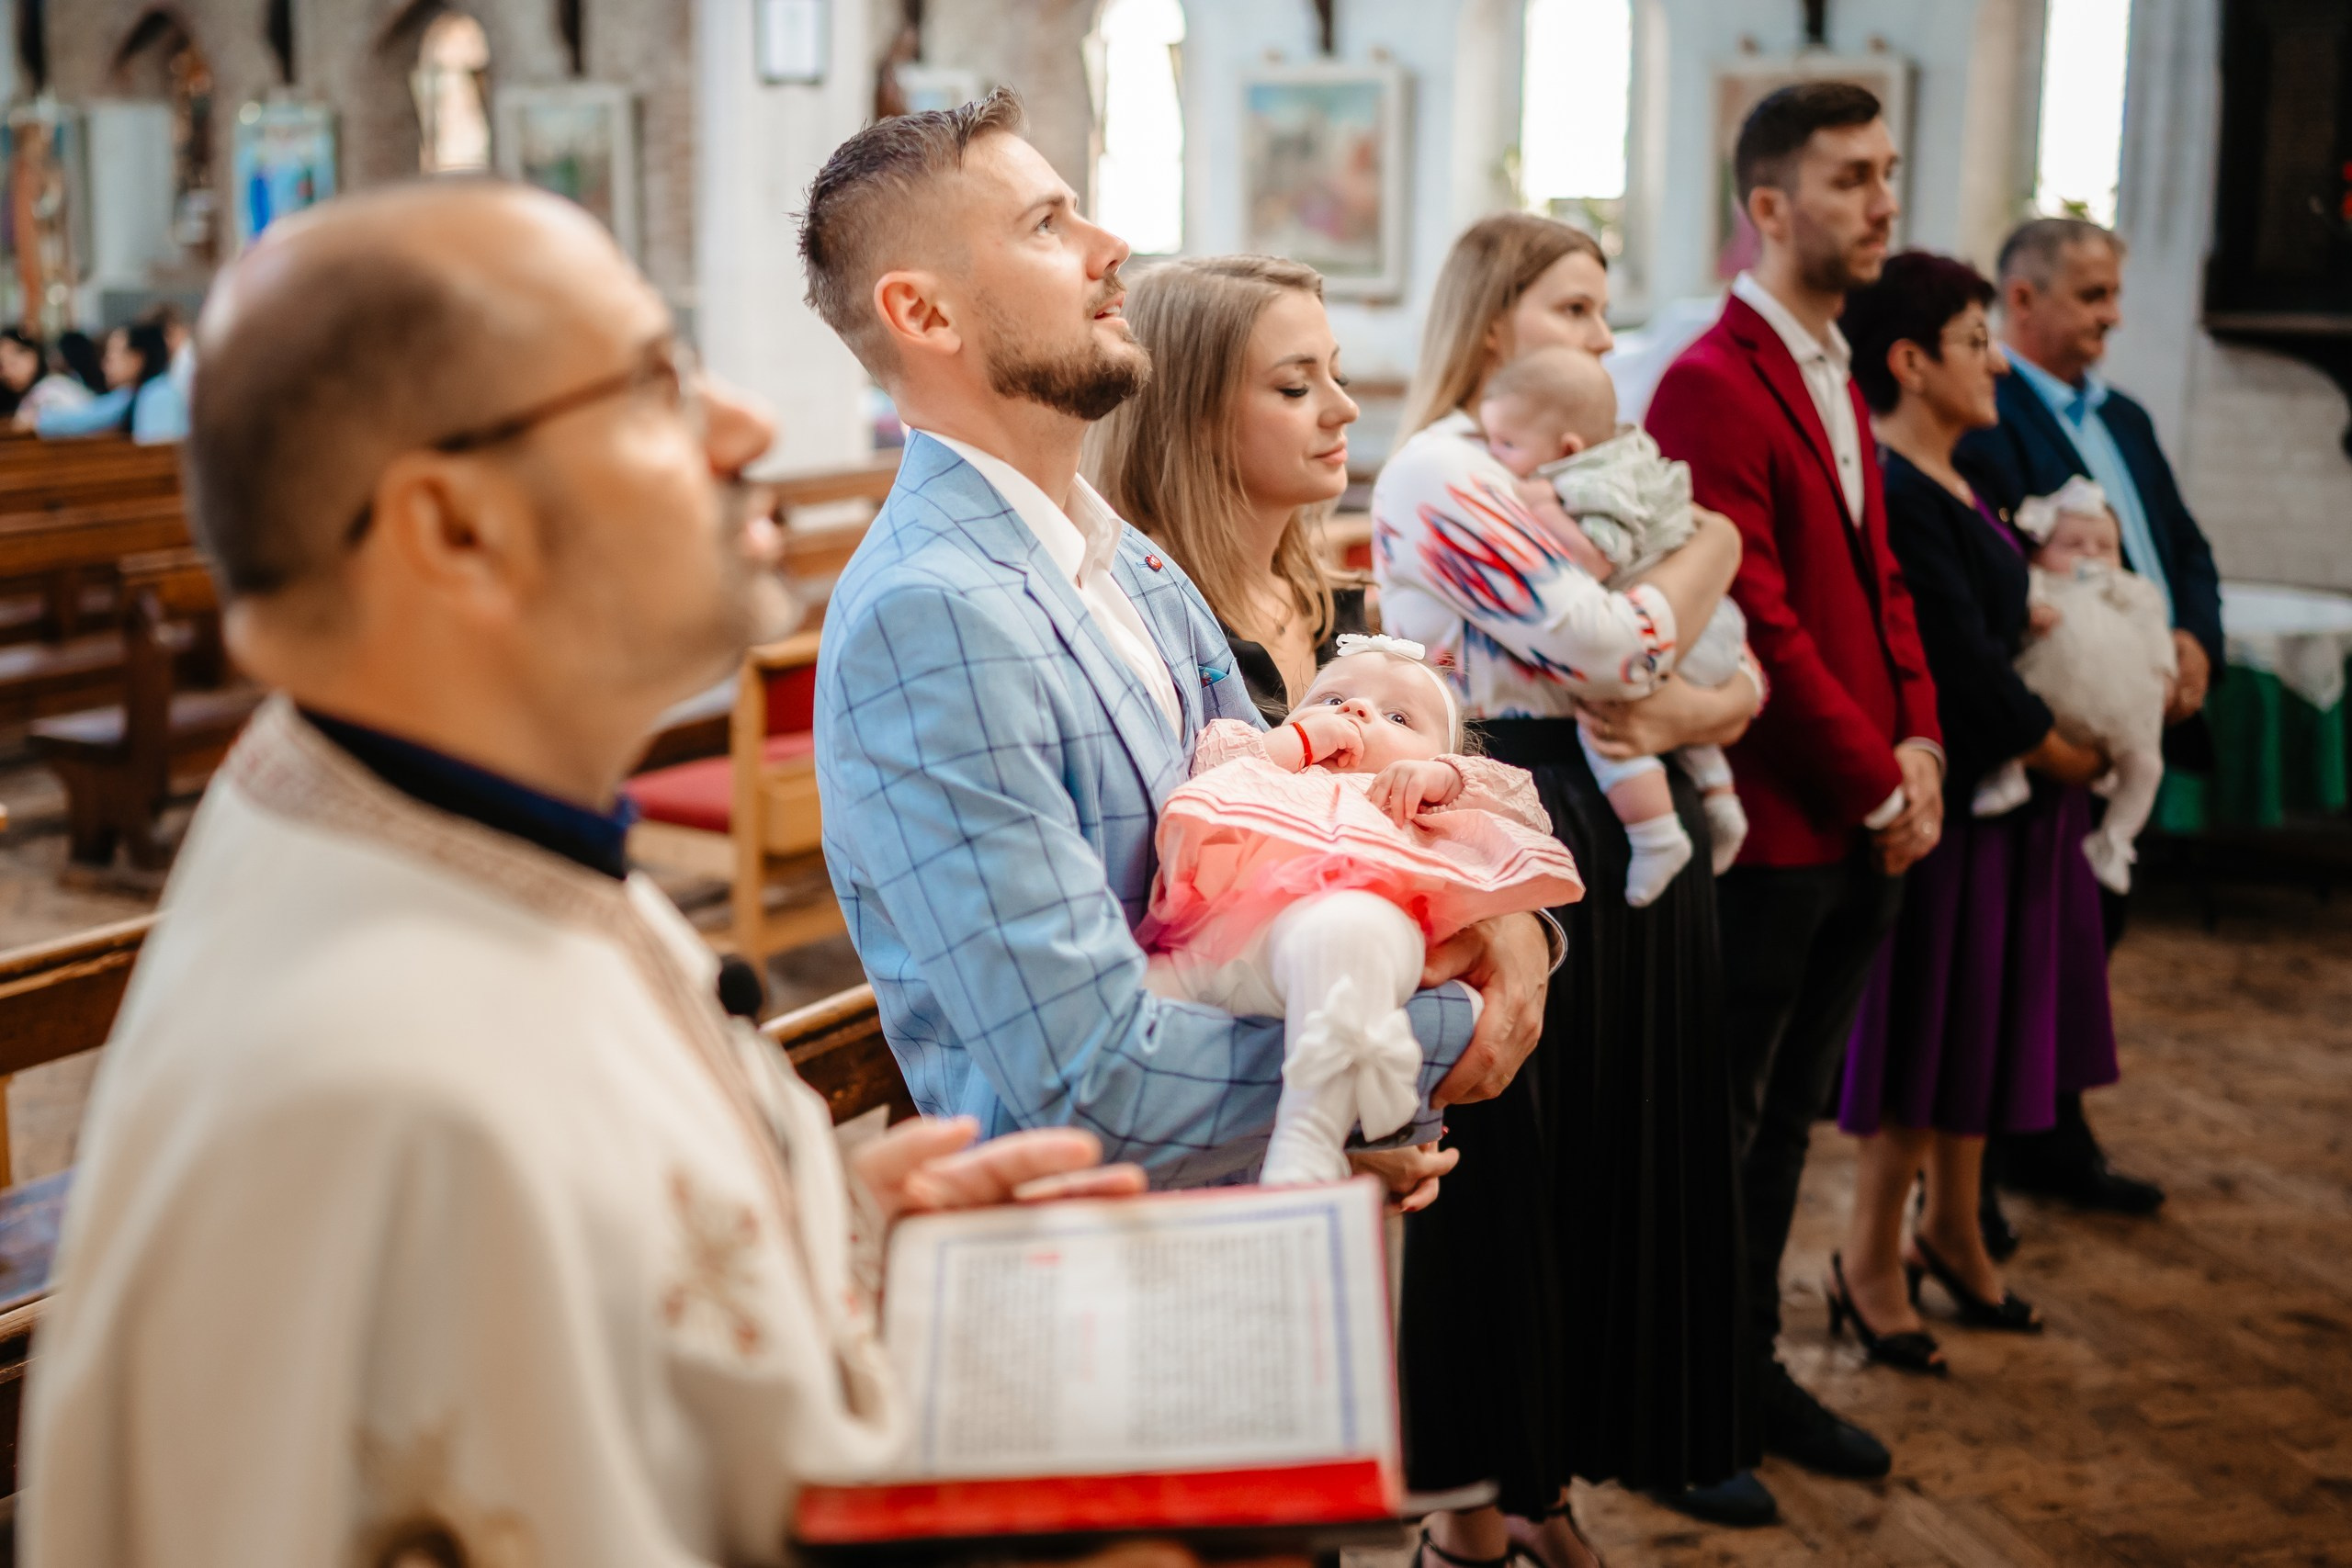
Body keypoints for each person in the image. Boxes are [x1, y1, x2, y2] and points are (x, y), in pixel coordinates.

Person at [20, 179, 1164, 1564]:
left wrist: (829, 1247)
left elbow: (556, 1326)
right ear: (453, 529)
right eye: (651, 383)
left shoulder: (447, 814)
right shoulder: (368, 1082)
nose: (744, 422)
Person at [800, 92, 1555, 1195]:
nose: (1111, 250)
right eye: (1047, 227)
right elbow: (1097, 1084)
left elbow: (1299, 838)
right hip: (1099, 1266)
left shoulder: (1130, 565)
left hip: (1243, 1208)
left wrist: (1510, 928)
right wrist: (1450, 1023)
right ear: (923, 314)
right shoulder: (932, 615)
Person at [1375, 211, 1761, 1557]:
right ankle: (1479, 1516)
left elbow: (1718, 669)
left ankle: (1547, 1490)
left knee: (1612, 1160)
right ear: (1494, 329)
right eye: (1577, 313)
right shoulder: (1443, 468)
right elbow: (1601, 642)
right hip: (1527, 812)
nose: (1608, 344)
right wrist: (1708, 554)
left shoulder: (1586, 466)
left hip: (1617, 804)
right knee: (1518, 1178)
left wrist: (1707, 687)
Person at [1646, 81, 1941, 1508]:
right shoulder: (1712, 378)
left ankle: (1747, 1368)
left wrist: (1928, 749)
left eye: (1888, 173)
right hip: (1769, 828)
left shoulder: (1829, 361)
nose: (1885, 199)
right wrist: (1883, 784)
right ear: (1769, 207)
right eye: (1852, 177)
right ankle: (1685, 1409)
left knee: (1786, 1130)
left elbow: (1880, 589)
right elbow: (1754, 613)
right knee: (1723, 1136)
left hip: (1859, 817)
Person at [1828, 250, 2119, 1379]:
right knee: (1925, 1040)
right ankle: (1865, 1261)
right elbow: (1953, 664)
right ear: (1908, 362)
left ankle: (1950, 1226)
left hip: (2015, 809)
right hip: (1965, 798)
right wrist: (2059, 746)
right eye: (1973, 341)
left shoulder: (1962, 477)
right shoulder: (1898, 491)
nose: (1995, 362)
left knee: (1984, 1034)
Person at [1955, 216, 2209, 1218]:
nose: (2112, 315)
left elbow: (2182, 548)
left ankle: (2050, 1130)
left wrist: (2192, 643)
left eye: (2113, 294)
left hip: (2130, 708)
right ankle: (2003, 1150)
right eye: (2092, 295)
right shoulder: (1990, 414)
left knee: (2090, 933)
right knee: (2023, 948)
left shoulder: (2130, 418)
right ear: (2022, 300)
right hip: (2046, 725)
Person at [1142, 637, 1583, 1185]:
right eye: (1331, 699)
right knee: (1137, 996)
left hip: (1337, 936)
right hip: (1219, 935)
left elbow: (1522, 804)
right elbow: (1210, 766)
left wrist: (1446, 781)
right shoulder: (1273, 763)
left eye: (1398, 716)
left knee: (1350, 937)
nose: (1356, 711)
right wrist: (1296, 742)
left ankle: (1308, 1142)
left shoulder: (1418, 805)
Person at [1476, 345, 1754, 905]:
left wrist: (1545, 513)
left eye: (1505, 445)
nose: (1492, 456)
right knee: (1670, 715)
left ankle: (1655, 835)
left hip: (1685, 628)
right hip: (1713, 624)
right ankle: (1721, 798)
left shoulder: (1586, 485)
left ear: (1566, 449)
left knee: (1605, 713)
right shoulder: (1626, 453)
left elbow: (1598, 560)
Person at [1088, 254, 1368, 720]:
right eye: (1295, 387)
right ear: (1191, 416)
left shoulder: (1330, 611)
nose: (1346, 408)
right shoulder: (1151, 625)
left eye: (1338, 376)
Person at [2002, 479, 2177, 893]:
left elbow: (2155, 630)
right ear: (2040, 549)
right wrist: (2032, 610)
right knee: (2016, 722)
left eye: (2105, 546)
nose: (2091, 555)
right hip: (2050, 697)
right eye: (2073, 544)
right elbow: (2016, 602)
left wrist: (2165, 671)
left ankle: (2115, 839)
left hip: (2120, 706)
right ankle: (2007, 774)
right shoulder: (2038, 583)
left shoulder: (2130, 589)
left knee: (2147, 766)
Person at [34, 321, 188, 442]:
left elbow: (159, 458)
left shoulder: (158, 395)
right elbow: (90, 415)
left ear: (136, 359)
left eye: (111, 356)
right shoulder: (135, 392)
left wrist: (40, 420)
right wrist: (41, 420)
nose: (104, 364)